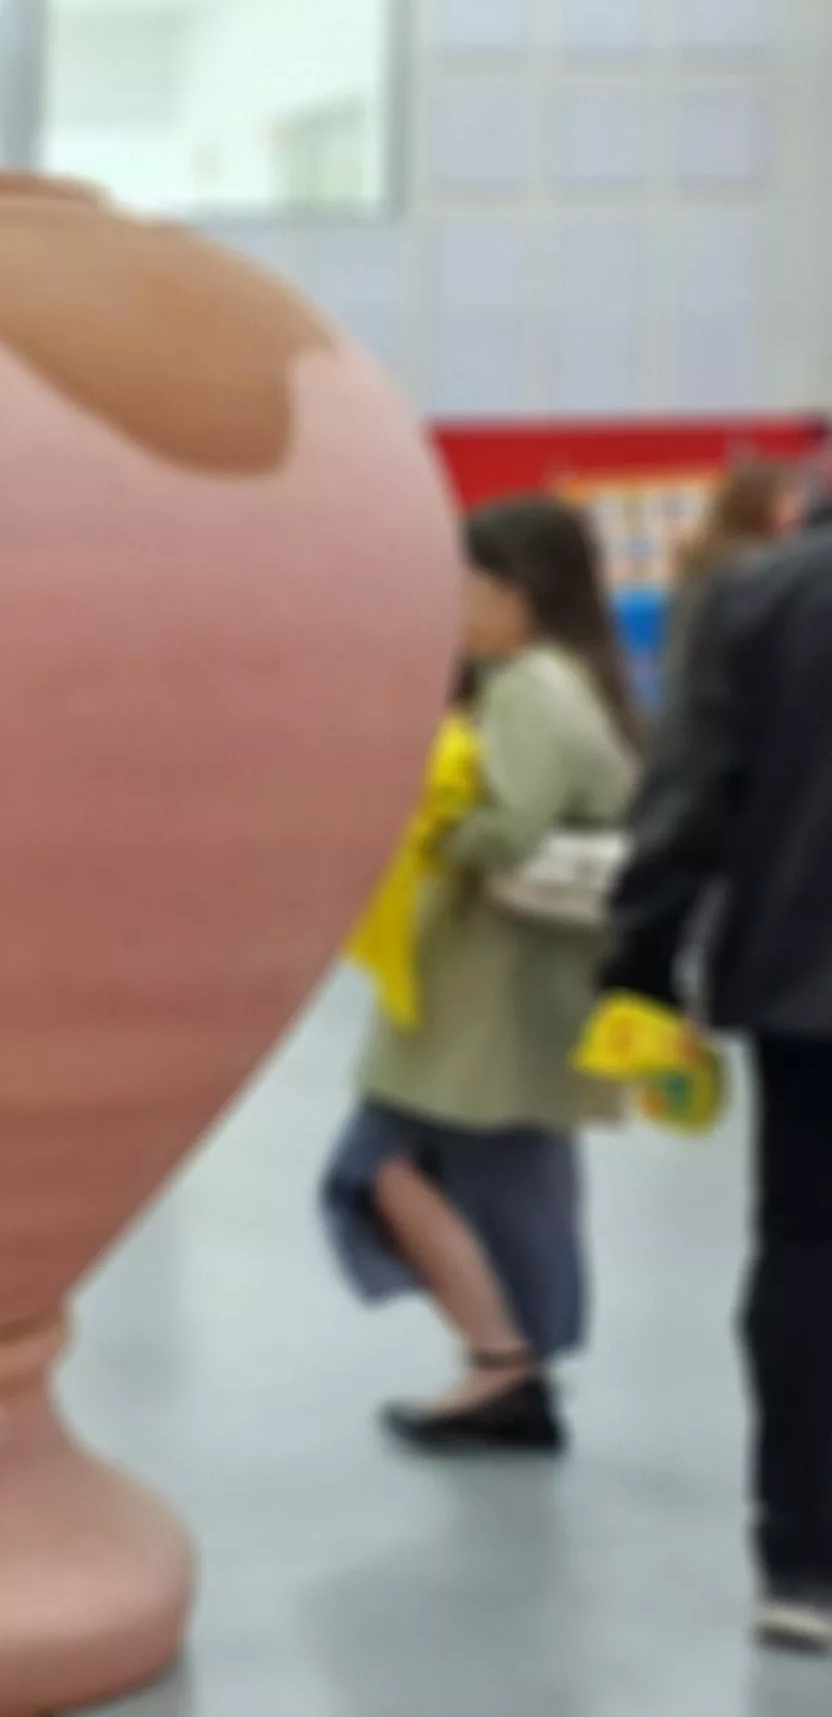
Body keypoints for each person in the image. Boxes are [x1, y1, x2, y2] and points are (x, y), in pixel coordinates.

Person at [326, 497, 644, 1455]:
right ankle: (515, 1365)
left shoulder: (526, 692)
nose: (455, 605)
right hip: (512, 987)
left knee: (383, 1163)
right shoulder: (567, 681)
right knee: (510, 1183)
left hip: (490, 992)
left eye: (470, 586)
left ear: (515, 592)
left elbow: (509, 825)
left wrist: (420, 819)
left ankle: (503, 1365)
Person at [604, 484, 832, 1647]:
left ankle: (802, 1557)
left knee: (803, 1254)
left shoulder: (756, 596)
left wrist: (638, 966)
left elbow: (688, 791)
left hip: (803, 993)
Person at [662, 457, 806, 700]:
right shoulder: (753, 568)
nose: (799, 507)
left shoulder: (706, 557)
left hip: (693, 697)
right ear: (759, 503)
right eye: (789, 498)